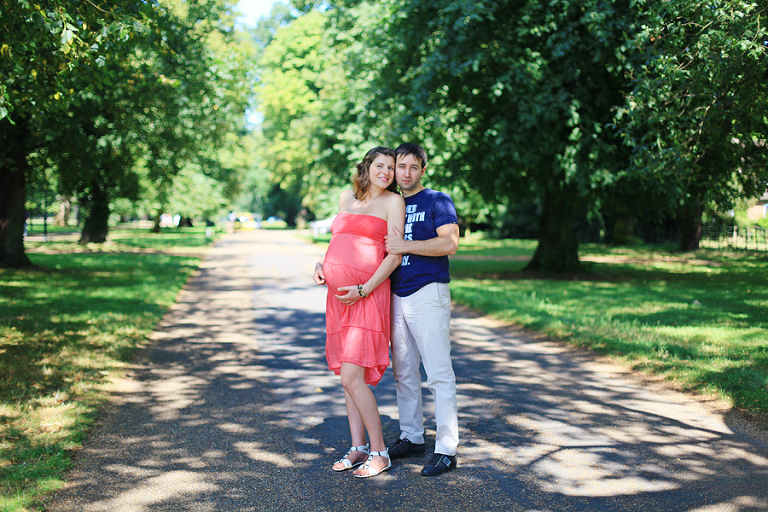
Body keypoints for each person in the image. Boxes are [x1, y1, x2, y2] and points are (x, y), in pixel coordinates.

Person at [313, 146, 406, 478]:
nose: (386, 172)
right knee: (347, 378)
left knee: (353, 376)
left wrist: (364, 288)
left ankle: (380, 452)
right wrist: (323, 263)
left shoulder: (394, 202)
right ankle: (358, 448)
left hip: (367, 296)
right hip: (338, 297)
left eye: (391, 168)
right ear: (366, 168)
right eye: (380, 165)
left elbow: (393, 255)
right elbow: (341, 239)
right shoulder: (345, 198)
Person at [385, 142, 460, 476]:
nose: (406, 173)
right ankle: (412, 436)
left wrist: (405, 246)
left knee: (438, 373)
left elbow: (450, 242)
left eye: (414, 167)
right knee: (403, 372)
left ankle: (446, 448)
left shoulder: (437, 200)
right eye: (401, 166)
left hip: (428, 292)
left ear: (423, 170)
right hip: (395, 295)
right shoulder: (390, 203)